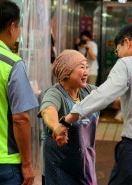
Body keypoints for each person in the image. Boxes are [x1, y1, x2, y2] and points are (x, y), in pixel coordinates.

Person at [60, 24, 132, 185]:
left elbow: (102, 95)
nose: (119, 56)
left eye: (117, 51)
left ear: (127, 42)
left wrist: (67, 120)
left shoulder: (127, 64)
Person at [0, 1, 39, 185]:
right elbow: (20, 118)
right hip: (2, 163)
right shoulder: (11, 63)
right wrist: (28, 164)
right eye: (19, 26)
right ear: (12, 26)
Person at [38, 49, 99, 185]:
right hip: (60, 171)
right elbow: (48, 110)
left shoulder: (88, 91)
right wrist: (56, 127)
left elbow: (110, 96)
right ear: (66, 71)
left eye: (87, 67)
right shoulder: (55, 93)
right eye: (81, 67)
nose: (86, 72)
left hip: (84, 168)